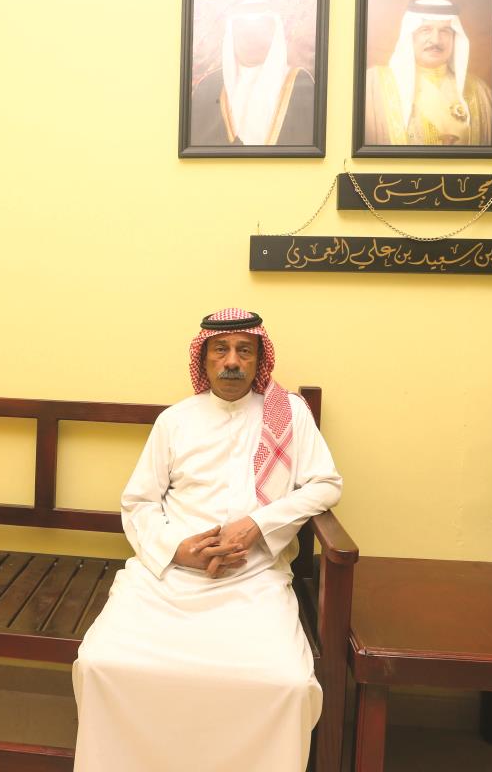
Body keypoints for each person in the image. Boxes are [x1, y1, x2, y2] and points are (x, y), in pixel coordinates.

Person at [72, 308, 343, 772]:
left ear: (259, 360)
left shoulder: (288, 414)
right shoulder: (175, 421)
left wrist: (257, 524)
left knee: (288, 682)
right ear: (204, 358)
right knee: (102, 662)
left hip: (253, 579)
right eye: (221, 350)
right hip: (170, 580)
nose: (232, 361)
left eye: (244, 351)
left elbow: (325, 485)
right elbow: (138, 503)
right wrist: (180, 550)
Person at [364, 0, 492, 146]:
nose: (435, 40)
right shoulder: (374, 85)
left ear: (454, 38)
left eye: (445, 31)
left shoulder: (478, 90)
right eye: (425, 30)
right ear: (410, 36)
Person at [188, 1, 315, 146]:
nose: (252, 41)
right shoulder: (208, 87)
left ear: (274, 36)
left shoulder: (300, 84)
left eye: (259, 33)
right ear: (232, 36)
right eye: (245, 33)